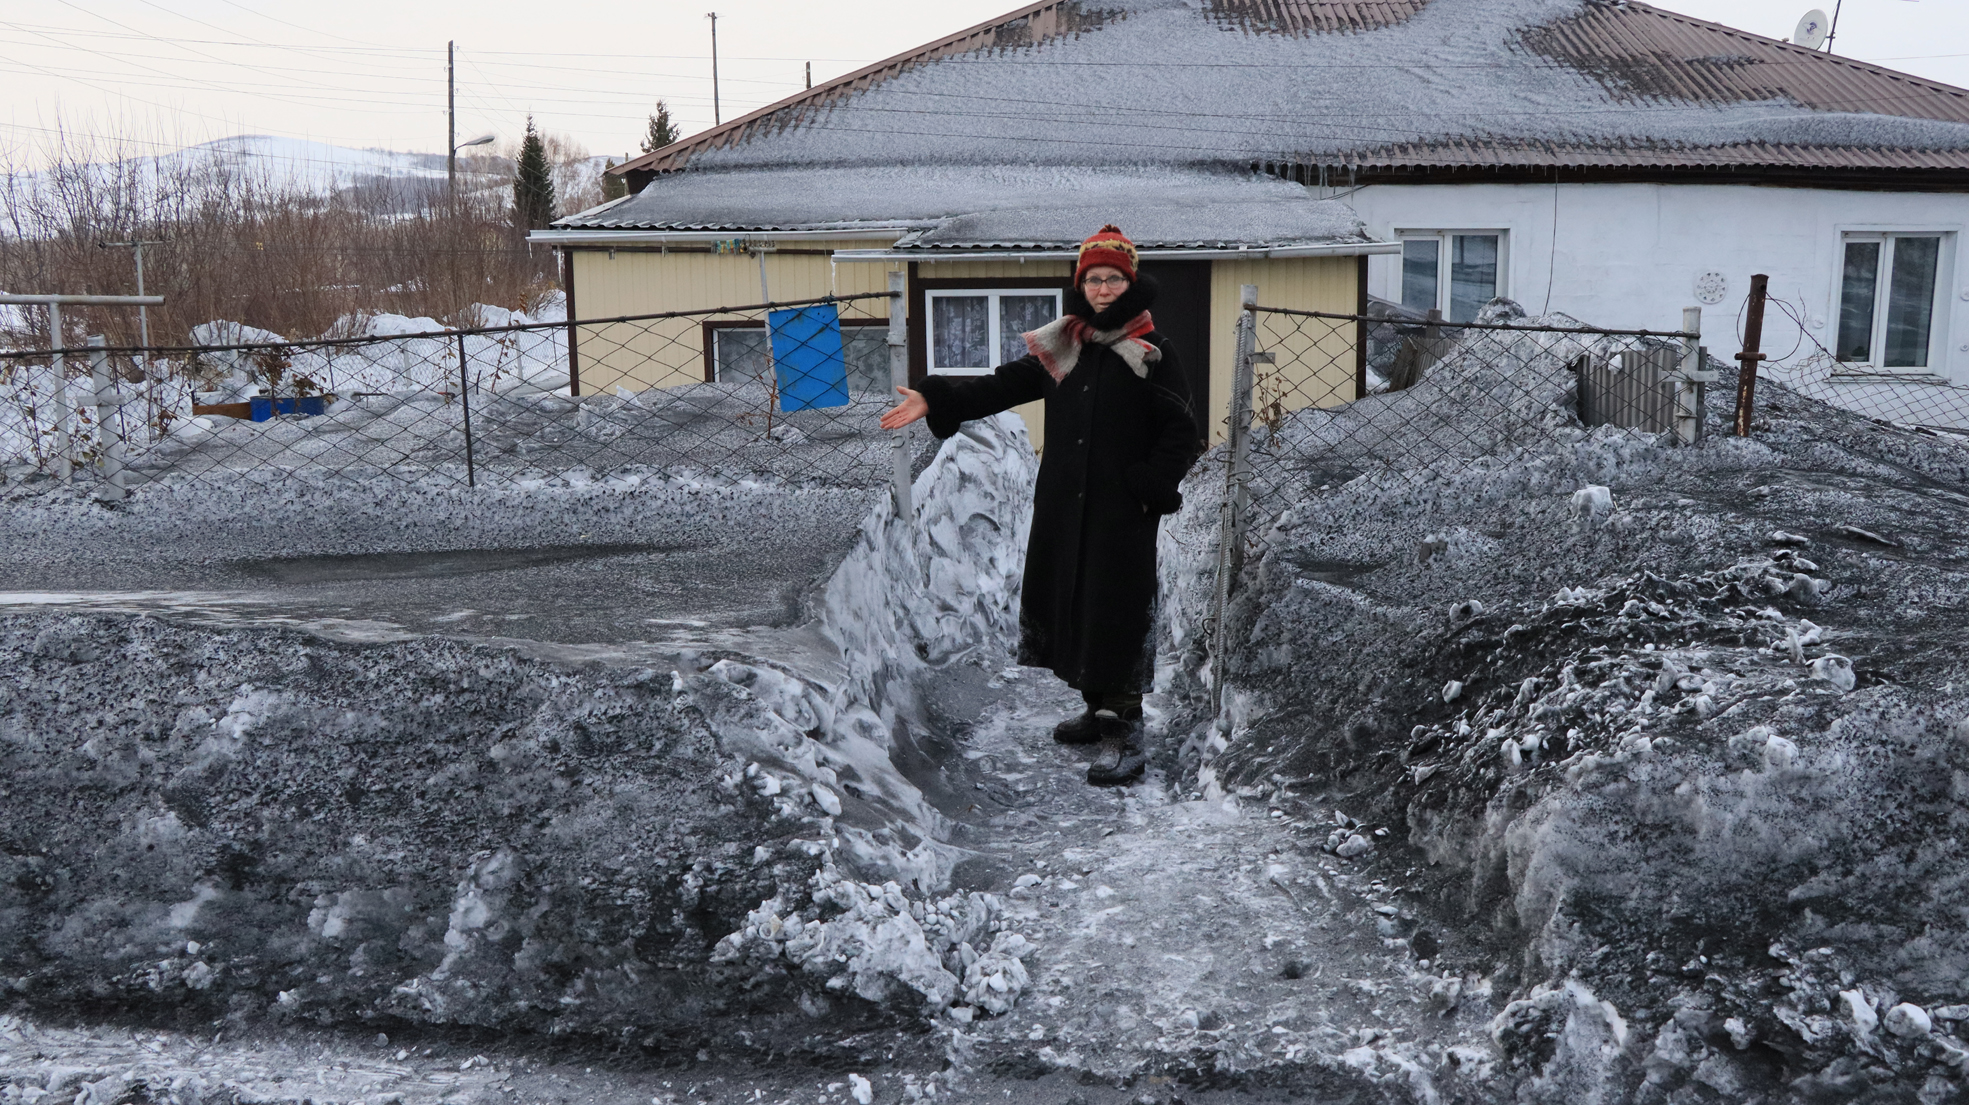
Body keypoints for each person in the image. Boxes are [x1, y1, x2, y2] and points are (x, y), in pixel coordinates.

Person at [880, 225, 1201, 785]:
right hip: (1064, 501)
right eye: (1094, 279)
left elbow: (1181, 431)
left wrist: (1148, 483)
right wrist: (937, 396)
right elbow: (1000, 385)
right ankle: (1094, 708)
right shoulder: (1065, 344)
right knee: (1072, 601)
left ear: (1131, 284)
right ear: (1082, 285)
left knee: (1115, 610)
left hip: (1122, 507)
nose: (1103, 288)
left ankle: (1126, 730)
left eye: (1114, 279)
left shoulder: (1152, 352)